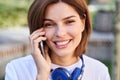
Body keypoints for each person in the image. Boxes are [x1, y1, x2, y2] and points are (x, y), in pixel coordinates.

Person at [5, 0, 111, 80]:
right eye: (49, 24)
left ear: (83, 23)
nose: (60, 33)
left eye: (69, 22)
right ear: (37, 30)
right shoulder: (16, 70)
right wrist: (42, 75)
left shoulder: (99, 71)